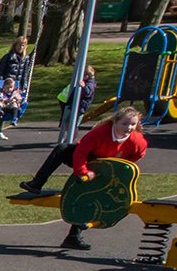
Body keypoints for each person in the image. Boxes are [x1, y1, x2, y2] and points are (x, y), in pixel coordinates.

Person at [18, 104, 147, 251]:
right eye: (125, 123)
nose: (128, 127)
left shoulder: (137, 140)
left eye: (133, 124)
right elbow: (81, 152)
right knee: (62, 148)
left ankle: (73, 237)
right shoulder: (100, 133)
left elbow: (138, 154)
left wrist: (116, 168)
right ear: (115, 122)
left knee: (89, 195)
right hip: (85, 158)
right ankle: (37, 183)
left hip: (106, 166)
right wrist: (82, 171)